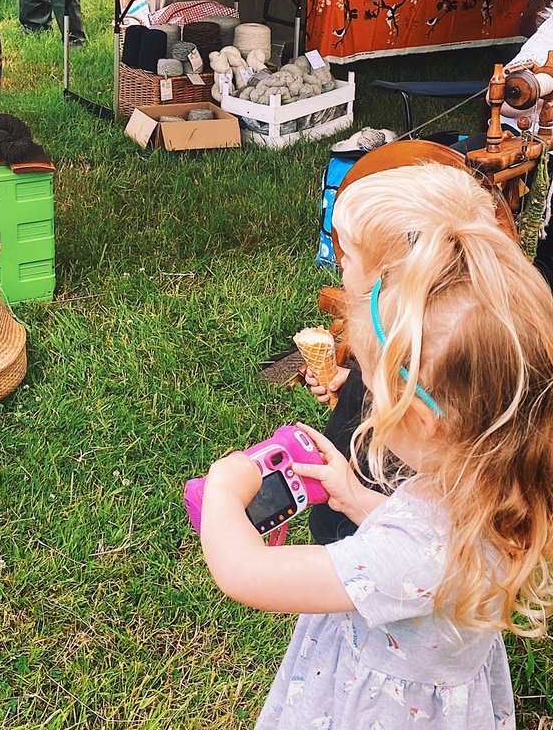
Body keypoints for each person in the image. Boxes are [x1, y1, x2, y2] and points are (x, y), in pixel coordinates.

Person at [200, 162, 553, 728]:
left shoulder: (404, 557)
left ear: (412, 415)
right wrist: (356, 497)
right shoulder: (497, 484)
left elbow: (246, 575)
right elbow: (431, 538)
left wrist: (222, 488)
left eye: (369, 384)